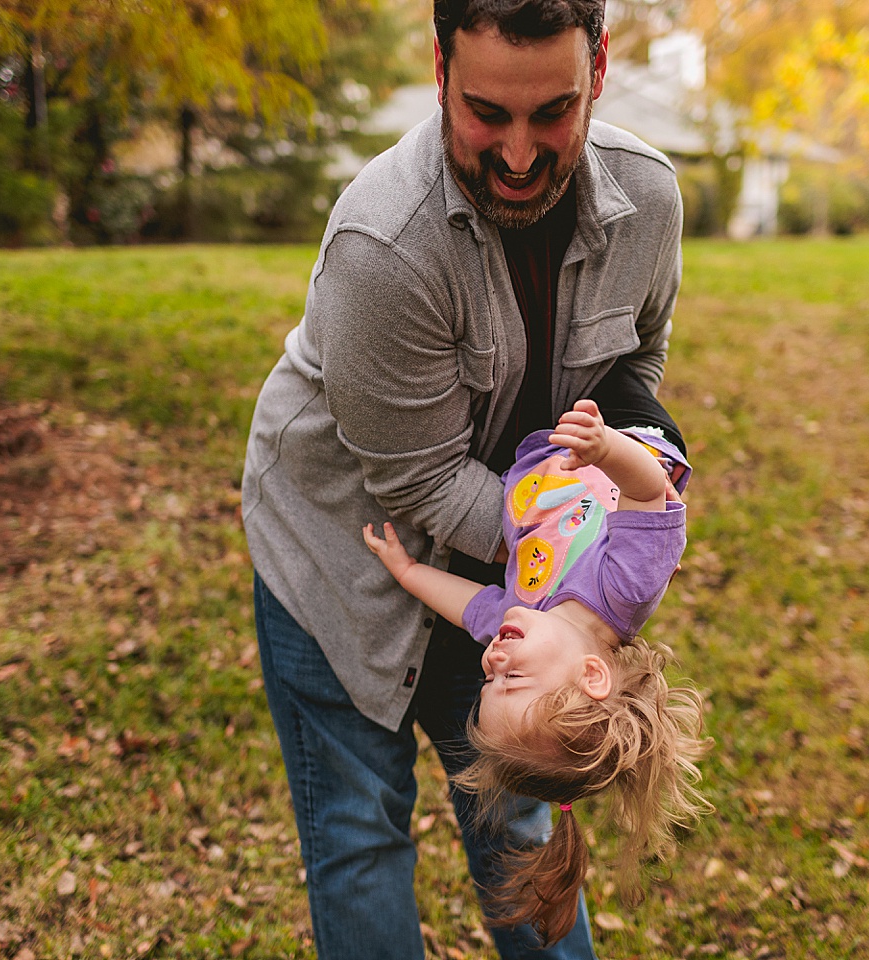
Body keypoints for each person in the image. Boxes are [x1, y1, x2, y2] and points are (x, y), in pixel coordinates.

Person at [240, 0, 687, 955]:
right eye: (487, 112)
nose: (521, 155)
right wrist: (572, 562)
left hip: (511, 574)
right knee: (359, 837)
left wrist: (634, 454)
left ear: (600, 66)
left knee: (517, 820)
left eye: (553, 112)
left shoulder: (648, 200)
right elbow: (426, 487)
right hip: (347, 553)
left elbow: (635, 368)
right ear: (439, 65)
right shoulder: (384, 244)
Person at [362, 398, 710, 945]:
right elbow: (647, 492)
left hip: (551, 450)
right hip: (624, 429)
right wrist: (607, 446)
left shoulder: (528, 621)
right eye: (511, 679)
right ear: (592, 677)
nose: (491, 661)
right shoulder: (625, 590)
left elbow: (469, 604)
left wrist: (409, 573)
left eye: (488, 681)